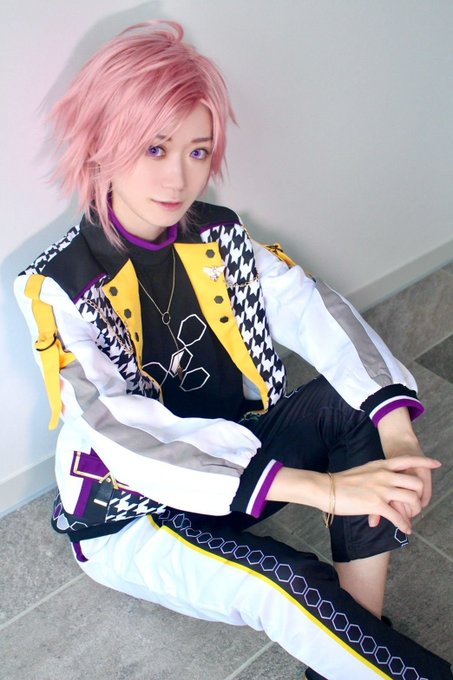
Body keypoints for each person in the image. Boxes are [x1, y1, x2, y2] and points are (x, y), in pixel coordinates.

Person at [15, 20, 451, 680]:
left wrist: (396, 436)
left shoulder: (217, 239)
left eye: (197, 151)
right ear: (103, 142)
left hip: (237, 463)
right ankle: (354, 648)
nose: (179, 177)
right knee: (284, 583)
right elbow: (121, 433)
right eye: (155, 148)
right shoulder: (57, 287)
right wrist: (325, 491)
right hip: (131, 511)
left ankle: (352, 637)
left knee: (363, 406)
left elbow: (311, 309)